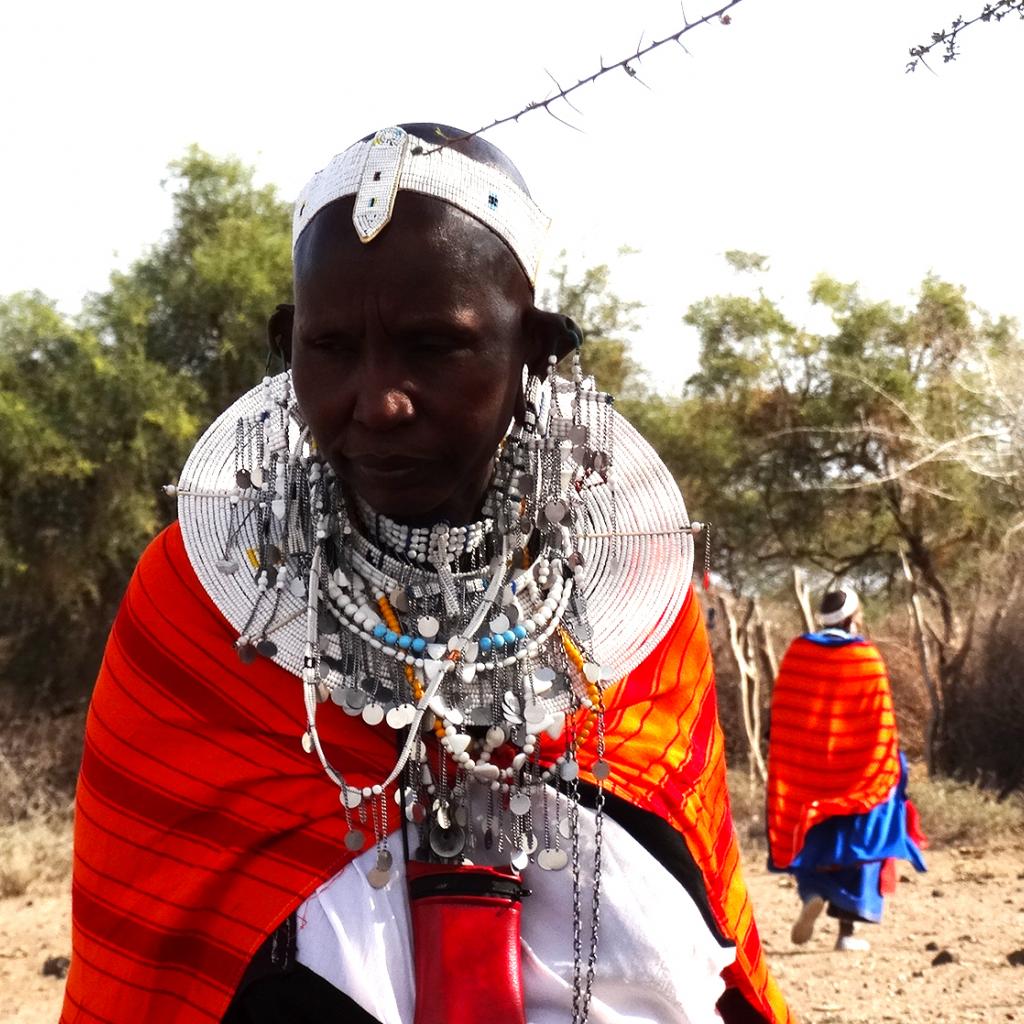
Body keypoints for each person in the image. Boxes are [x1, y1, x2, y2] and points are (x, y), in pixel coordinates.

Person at [61, 124, 792, 1023]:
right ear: (287, 344)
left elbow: (690, 883)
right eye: (331, 349)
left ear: (536, 352)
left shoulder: (629, 597)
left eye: (433, 347)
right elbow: (156, 962)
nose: (378, 401)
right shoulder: (201, 601)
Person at [766, 586, 927, 952]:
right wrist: (889, 764)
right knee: (865, 831)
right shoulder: (865, 656)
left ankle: (811, 892)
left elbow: (785, 714)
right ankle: (846, 934)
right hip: (857, 769)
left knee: (812, 834)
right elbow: (881, 721)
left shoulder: (799, 653)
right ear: (854, 618)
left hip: (807, 770)